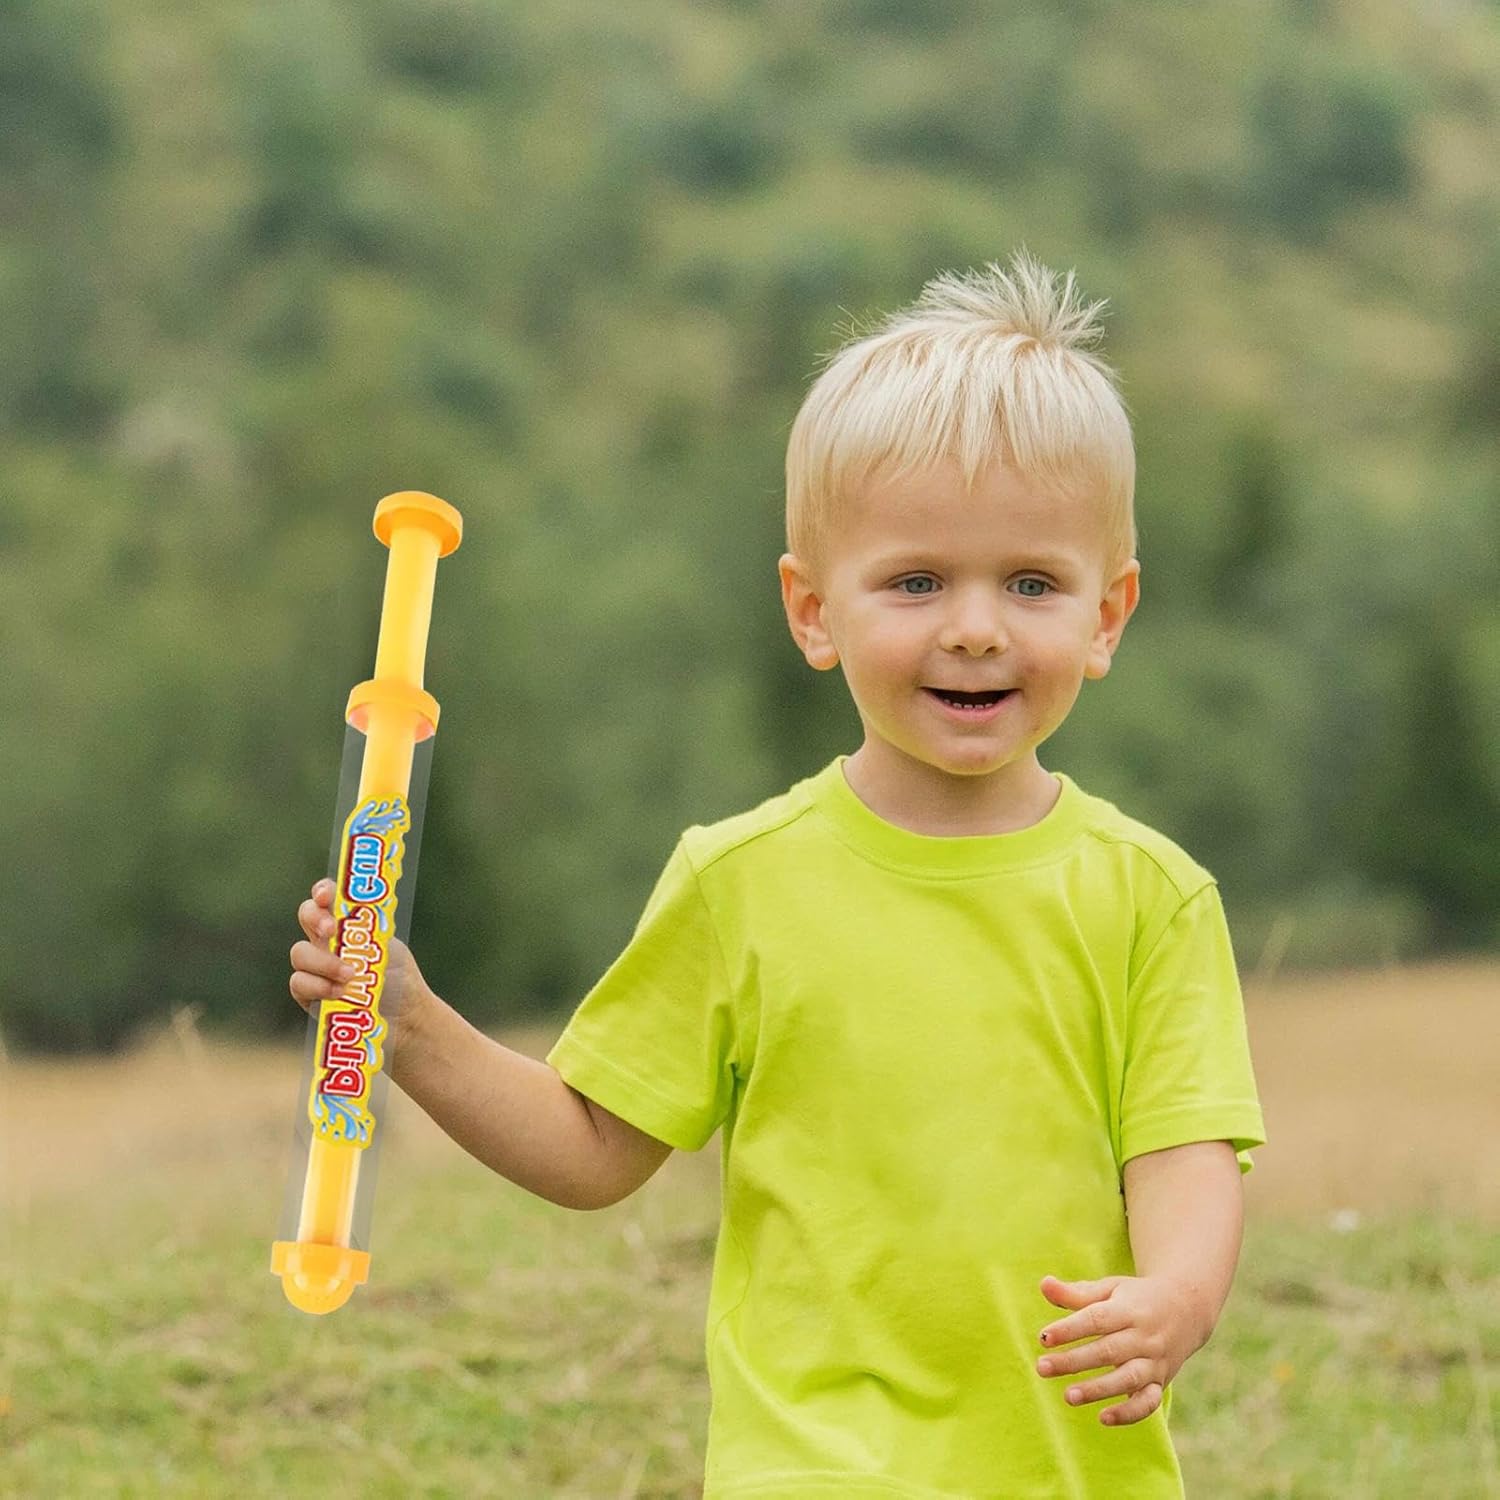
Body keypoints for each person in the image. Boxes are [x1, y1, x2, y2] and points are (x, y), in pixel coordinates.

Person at [290, 247, 1267, 1498]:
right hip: (811, 1468)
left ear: (1107, 616)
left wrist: (1178, 1296)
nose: (975, 627)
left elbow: (1184, 1152)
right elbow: (592, 1145)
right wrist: (411, 1026)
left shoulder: (1152, 898)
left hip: (1067, 1469)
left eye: (1032, 583)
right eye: (915, 581)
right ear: (813, 611)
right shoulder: (738, 881)